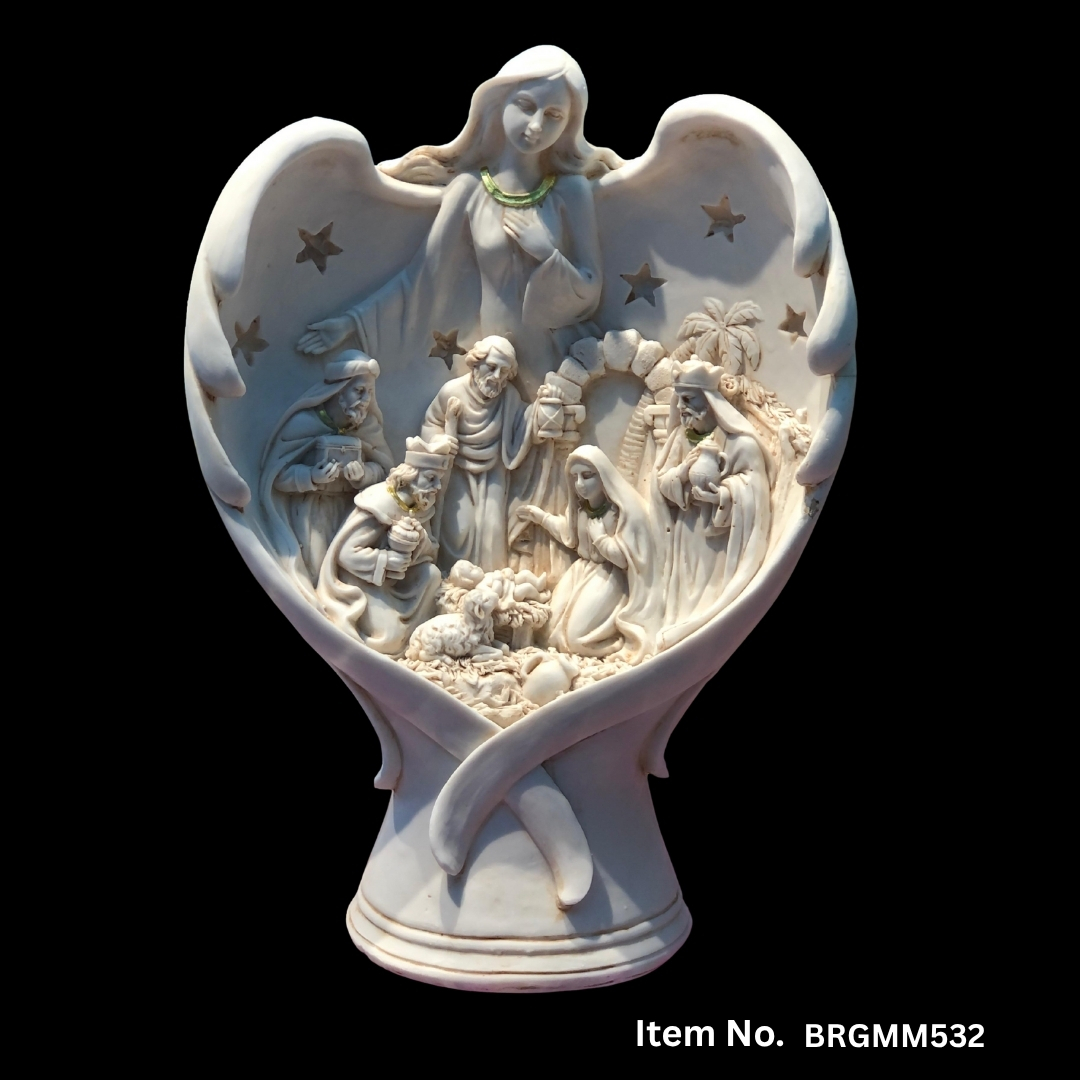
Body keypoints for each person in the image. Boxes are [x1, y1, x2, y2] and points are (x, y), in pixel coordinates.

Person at [295, 46, 620, 400]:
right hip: (492, 359)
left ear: (569, 123)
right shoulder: (468, 190)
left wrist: (546, 254)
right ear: (499, 102)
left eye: (554, 115)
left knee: (556, 426)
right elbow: (422, 279)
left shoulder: (571, 191)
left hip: (556, 354)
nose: (536, 126)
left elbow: (591, 290)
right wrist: (351, 323)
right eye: (526, 106)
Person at [653, 358, 775, 649]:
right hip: (686, 532)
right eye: (678, 400)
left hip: (719, 540)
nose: (680, 407)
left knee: (708, 591)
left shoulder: (740, 443)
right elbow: (661, 482)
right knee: (686, 591)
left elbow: (754, 489)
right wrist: (682, 472)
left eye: (687, 399)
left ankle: (700, 640)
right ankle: (679, 639)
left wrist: (721, 496)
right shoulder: (679, 439)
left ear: (709, 401)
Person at [259, 352, 393, 595]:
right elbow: (277, 475)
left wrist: (364, 475)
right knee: (317, 571)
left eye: (370, 393)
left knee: (348, 573)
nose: (365, 400)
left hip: (354, 513)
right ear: (339, 390)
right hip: (313, 512)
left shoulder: (368, 428)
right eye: (359, 391)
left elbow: (386, 472)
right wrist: (311, 476)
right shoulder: (303, 423)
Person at [420, 335, 554, 574]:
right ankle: (454, 578)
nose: (497, 376)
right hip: (458, 469)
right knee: (459, 528)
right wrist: (440, 441)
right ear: (476, 363)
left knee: (492, 528)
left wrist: (539, 409)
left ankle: (490, 580)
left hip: (493, 470)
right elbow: (431, 423)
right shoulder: (452, 391)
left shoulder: (509, 397)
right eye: (491, 367)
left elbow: (522, 422)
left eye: (504, 372)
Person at [517, 445, 660, 664]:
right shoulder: (581, 510)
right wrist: (541, 518)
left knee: (576, 639)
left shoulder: (618, 513)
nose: (580, 484)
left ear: (603, 476)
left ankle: (615, 647)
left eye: (587, 476)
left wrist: (601, 539)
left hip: (609, 577)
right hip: (581, 571)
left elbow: (626, 559)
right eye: (575, 477)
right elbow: (569, 534)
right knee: (547, 631)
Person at [317, 436, 454, 657]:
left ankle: (418, 635)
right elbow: (346, 554)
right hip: (363, 580)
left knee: (431, 575)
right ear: (410, 477)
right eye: (431, 479)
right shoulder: (379, 503)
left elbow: (430, 551)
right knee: (388, 639)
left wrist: (419, 540)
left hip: (398, 580)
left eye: (438, 479)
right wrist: (388, 560)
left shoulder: (418, 505)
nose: (436, 486)